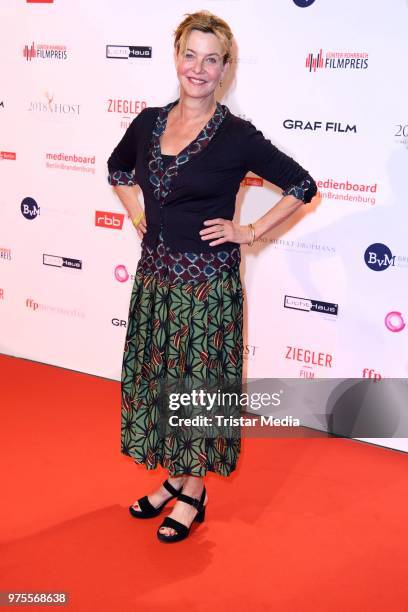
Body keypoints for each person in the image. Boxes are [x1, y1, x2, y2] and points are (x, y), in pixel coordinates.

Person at [107, 10, 317, 543]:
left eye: (211, 59)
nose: (198, 69)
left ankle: (193, 490)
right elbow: (116, 170)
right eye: (190, 55)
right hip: (156, 280)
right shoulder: (148, 121)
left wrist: (249, 231)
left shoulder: (236, 136)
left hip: (206, 288)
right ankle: (173, 477)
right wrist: (138, 215)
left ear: (225, 69)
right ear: (176, 56)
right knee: (161, 383)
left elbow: (301, 184)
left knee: (196, 387)